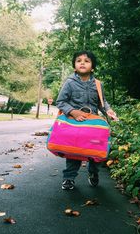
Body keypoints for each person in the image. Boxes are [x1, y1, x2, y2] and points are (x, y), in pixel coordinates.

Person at [56, 50, 118, 190]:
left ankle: (93, 173)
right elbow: (60, 101)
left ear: (93, 66)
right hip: (75, 124)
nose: (82, 63)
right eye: (79, 60)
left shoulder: (97, 84)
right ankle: (69, 178)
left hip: (93, 127)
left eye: (86, 61)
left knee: (95, 152)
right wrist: (73, 112)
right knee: (74, 153)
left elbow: (102, 103)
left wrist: (109, 111)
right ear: (74, 66)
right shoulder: (70, 83)